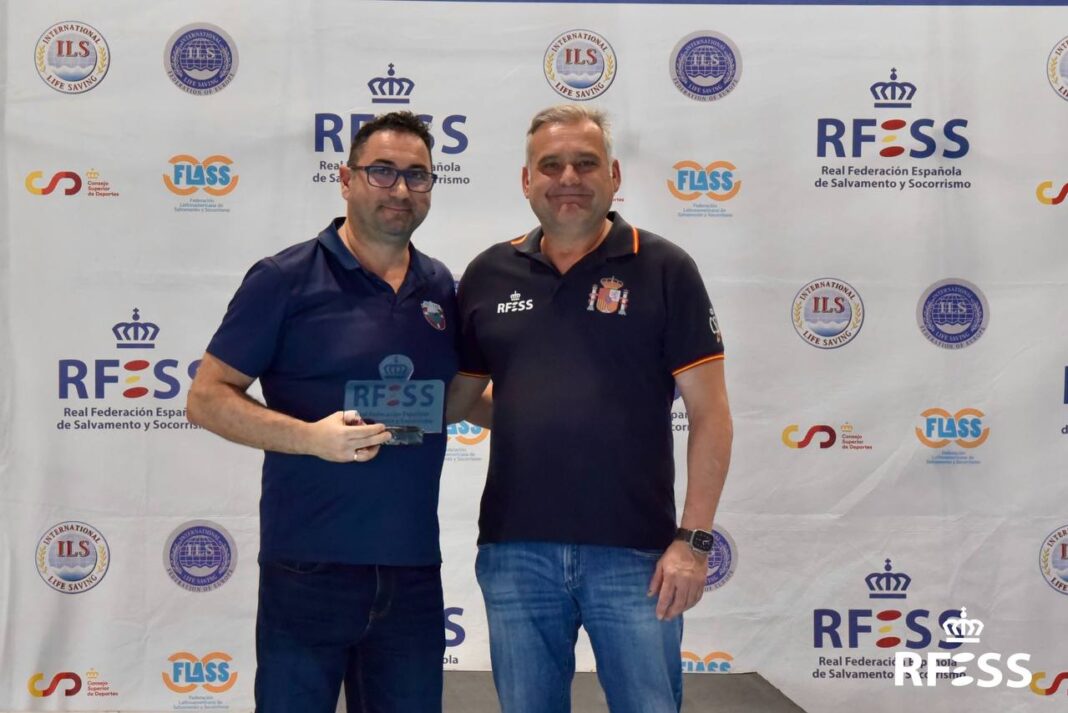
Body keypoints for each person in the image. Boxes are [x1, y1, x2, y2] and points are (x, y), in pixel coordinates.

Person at [447, 105, 733, 713]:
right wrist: (368, 398)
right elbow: (462, 400)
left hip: (637, 555)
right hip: (515, 552)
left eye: (585, 162)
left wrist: (693, 541)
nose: (568, 178)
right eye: (551, 165)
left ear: (614, 174)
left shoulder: (665, 268)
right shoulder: (488, 274)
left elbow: (711, 415)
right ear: (527, 180)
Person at [187, 111, 458, 713]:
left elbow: (457, 396)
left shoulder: (440, 286)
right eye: (382, 171)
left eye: (417, 175)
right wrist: (311, 438)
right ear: (346, 178)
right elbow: (206, 397)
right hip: (308, 568)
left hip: (412, 568)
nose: (400, 188)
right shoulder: (283, 279)